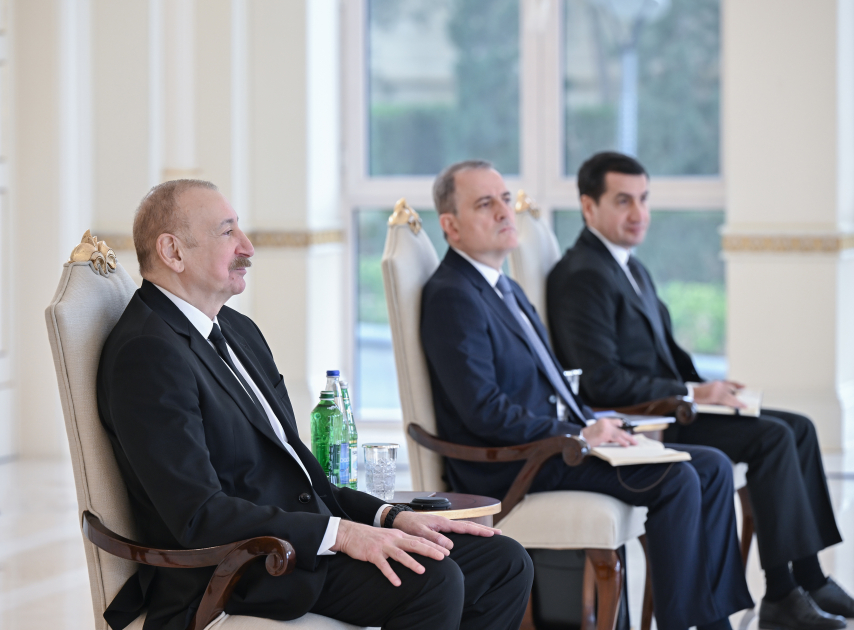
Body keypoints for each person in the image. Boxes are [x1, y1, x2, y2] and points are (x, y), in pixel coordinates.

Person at [96, 179, 533, 630]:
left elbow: (298, 470)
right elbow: (199, 514)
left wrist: (387, 516)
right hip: (239, 567)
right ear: (173, 252)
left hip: (296, 538)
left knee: (503, 562)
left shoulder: (238, 330)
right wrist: (342, 534)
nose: (247, 246)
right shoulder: (147, 353)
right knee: (431, 579)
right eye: (227, 232)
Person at [420, 160, 755, 630]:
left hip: (555, 445)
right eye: (484, 204)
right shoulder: (453, 295)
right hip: (517, 463)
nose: (504, 211)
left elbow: (556, 381)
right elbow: (484, 411)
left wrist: (599, 425)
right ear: (451, 226)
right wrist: (577, 433)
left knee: (712, 466)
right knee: (678, 479)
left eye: (505, 199)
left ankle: (713, 622)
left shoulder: (502, 286)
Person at [546, 151, 853, 630]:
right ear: (588, 206)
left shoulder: (628, 267)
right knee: (773, 437)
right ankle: (782, 593)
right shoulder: (582, 275)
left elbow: (666, 352)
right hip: (646, 418)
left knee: (799, 427)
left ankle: (808, 578)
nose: (639, 213)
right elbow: (600, 380)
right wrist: (691, 392)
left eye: (644, 199)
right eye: (624, 201)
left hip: (672, 404)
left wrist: (711, 388)